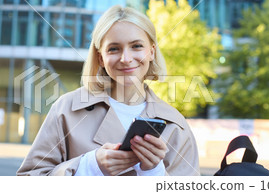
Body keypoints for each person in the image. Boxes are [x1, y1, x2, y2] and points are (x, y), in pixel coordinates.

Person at [17, 5, 199, 176]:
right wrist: (89, 166)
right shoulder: (67, 109)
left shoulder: (176, 125)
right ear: (101, 58)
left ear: (151, 52)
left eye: (136, 46)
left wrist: (154, 173)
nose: (126, 59)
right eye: (113, 49)